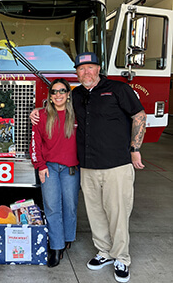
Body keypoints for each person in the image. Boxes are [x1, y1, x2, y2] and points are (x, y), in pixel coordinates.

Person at [30, 52, 146, 283]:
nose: (86, 73)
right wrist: (37, 111)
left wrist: (134, 148)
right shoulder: (77, 95)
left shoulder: (118, 89)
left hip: (116, 164)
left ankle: (121, 257)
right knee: (95, 213)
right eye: (81, 69)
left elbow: (139, 115)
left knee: (118, 212)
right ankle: (104, 252)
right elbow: (56, 108)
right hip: (88, 166)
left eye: (91, 68)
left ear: (99, 68)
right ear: (76, 73)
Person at [29, 78, 80, 268]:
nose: (58, 95)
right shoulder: (41, 116)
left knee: (70, 206)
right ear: (49, 97)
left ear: (68, 95)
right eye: (54, 92)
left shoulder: (77, 116)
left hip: (71, 169)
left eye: (62, 91)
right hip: (49, 167)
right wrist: (40, 166)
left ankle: (68, 238)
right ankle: (56, 247)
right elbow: (35, 144)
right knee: (52, 207)